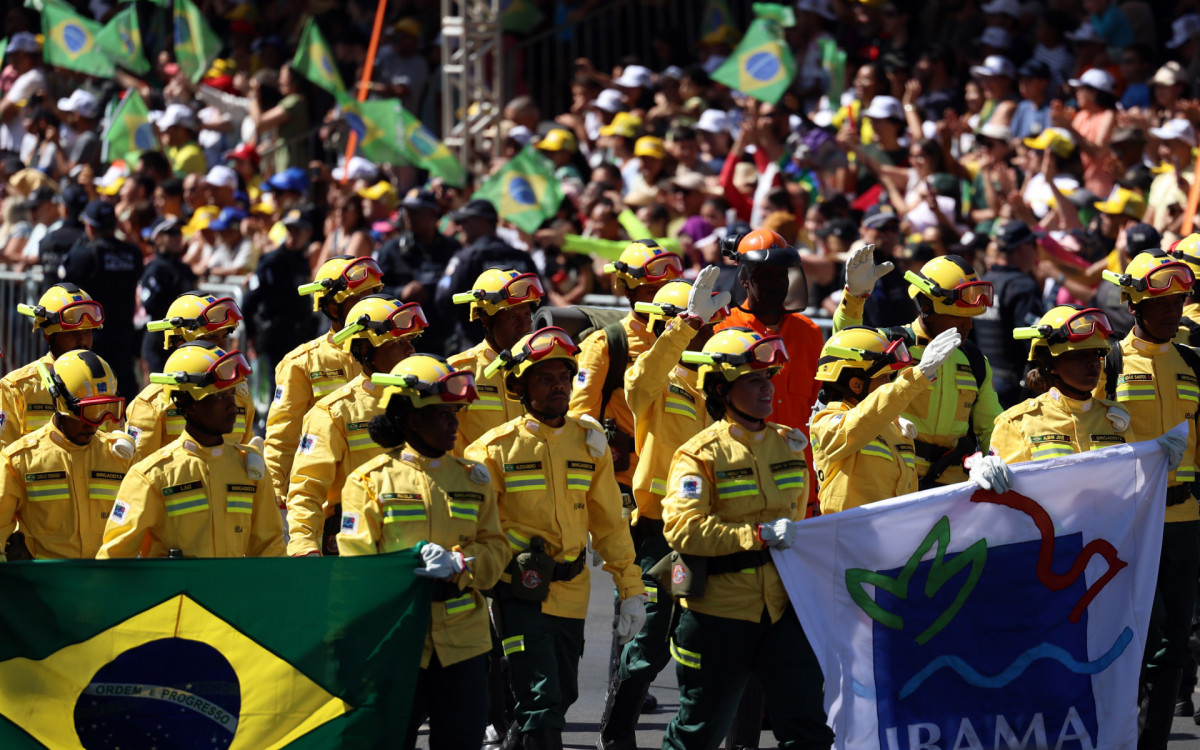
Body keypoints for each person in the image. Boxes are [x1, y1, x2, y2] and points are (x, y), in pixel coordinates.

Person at [465, 327, 646, 750]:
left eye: (564, 378)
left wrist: (631, 587)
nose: (559, 387)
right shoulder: (491, 451)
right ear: (521, 387)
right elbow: (473, 529)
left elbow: (609, 524)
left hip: (573, 591)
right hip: (517, 594)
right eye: (545, 379)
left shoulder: (588, 446)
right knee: (541, 701)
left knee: (560, 696)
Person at [658, 328, 829, 750]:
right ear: (721, 389)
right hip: (719, 612)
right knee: (699, 731)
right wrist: (756, 535)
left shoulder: (790, 445)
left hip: (785, 611)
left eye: (768, 378)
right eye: (754, 380)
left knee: (807, 729)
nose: (768, 389)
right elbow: (683, 529)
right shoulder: (699, 454)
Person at [338, 352, 506, 748]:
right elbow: (358, 570)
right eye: (443, 415)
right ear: (413, 420)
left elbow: (496, 550)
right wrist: (406, 566)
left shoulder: (474, 479)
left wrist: (460, 564)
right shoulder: (367, 482)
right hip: (398, 645)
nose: (455, 424)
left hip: (464, 645)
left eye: (456, 413)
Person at [599, 270, 728, 750]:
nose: (702, 330)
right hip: (657, 535)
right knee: (648, 645)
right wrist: (685, 324)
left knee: (699, 642)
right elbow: (642, 378)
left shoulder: (724, 388)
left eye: (706, 323)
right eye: (686, 323)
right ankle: (616, 738)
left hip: (709, 536)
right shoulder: (653, 384)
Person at [1097, 249, 1200, 749]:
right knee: (1129, 639)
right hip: (1130, 521)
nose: (1173, 309)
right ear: (1134, 303)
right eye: (1161, 301)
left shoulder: (1193, 361)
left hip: (1186, 519)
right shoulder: (1108, 360)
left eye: (1179, 300)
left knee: (1175, 644)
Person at [97, 341, 285, 559]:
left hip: (233, 592)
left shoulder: (251, 470)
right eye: (219, 396)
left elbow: (271, 549)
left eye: (231, 394)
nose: (232, 405)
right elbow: (114, 560)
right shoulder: (151, 476)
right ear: (186, 402)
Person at [834, 250, 1004, 488]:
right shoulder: (890, 345)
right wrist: (854, 298)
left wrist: (1000, 460)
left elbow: (991, 427)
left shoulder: (974, 360)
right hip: (893, 481)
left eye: (971, 317)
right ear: (925, 306)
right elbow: (844, 346)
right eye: (956, 316)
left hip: (952, 488)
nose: (967, 325)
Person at [286, 296, 427, 557]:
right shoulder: (333, 413)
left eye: (411, 341)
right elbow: (307, 490)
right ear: (365, 350)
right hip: (353, 550)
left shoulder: (428, 403)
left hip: (418, 547)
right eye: (398, 343)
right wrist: (304, 545)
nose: (410, 351)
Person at [812, 325, 988, 513]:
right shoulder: (827, 425)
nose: (890, 383)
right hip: (850, 539)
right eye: (885, 377)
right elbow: (862, 419)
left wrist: (972, 482)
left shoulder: (894, 429)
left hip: (892, 538)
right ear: (856, 385)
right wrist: (917, 377)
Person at [715, 229, 823, 515]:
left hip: (800, 481)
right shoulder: (722, 330)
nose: (777, 283)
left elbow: (818, 406)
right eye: (766, 275)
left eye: (781, 274)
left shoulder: (808, 332)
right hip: (742, 480)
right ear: (744, 278)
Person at [262, 255, 384, 504]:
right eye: (361, 299)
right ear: (333, 308)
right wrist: (274, 490)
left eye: (374, 296)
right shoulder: (301, 363)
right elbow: (282, 437)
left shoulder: (395, 356)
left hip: (387, 499)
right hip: (328, 506)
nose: (370, 306)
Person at [991, 306, 1175, 465]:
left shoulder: (1116, 419)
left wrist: (1156, 454)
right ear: (1051, 364)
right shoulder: (1016, 423)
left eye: (1096, 354)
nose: (1094, 363)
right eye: (1080, 355)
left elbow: (1130, 480)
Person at [570, 240, 685, 494]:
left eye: (666, 288)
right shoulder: (605, 344)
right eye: (650, 291)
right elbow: (580, 416)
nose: (661, 298)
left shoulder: (689, 338)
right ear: (627, 290)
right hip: (625, 479)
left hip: (679, 472)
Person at [0, 350, 134, 560]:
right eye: (89, 411)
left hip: (108, 585)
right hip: (44, 587)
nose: (95, 423)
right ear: (59, 403)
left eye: (104, 409)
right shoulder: (18, 461)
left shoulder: (119, 458)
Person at [127, 293, 254, 461]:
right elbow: (139, 473)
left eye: (224, 336)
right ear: (180, 341)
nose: (222, 346)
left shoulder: (239, 394)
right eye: (211, 337)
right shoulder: (151, 404)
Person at [448, 268, 544, 453]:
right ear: (486, 320)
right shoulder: (458, 372)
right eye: (513, 317)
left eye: (526, 315)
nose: (524, 326)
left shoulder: (541, 368)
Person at [0, 284, 104, 449]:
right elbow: (4, 458)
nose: (83, 341)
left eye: (87, 332)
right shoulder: (16, 388)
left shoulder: (104, 381)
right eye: (72, 333)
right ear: (48, 336)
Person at [58, 201, 144, 400]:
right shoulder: (133, 253)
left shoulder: (84, 254)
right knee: (125, 393)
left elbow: (64, 276)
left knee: (89, 393)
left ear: (90, 226)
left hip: (92, 337)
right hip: (124, 335)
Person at [434, 199, 542, 354]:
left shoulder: (466, 257)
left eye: (464, 221)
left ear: (482, 222)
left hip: (476, 349)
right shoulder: (522, 257)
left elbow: (443, 299)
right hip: (521, 349)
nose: (459, 227)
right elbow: (540, 302)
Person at [974, 220, 1045, 408]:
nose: (1037, 251)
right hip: (1013, 388)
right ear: (1022, 247)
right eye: (1034, 244)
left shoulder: (984, 283)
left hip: (980, 382)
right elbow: (1033, 341)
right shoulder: (1022, 286)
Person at [138, 219, 197, 374]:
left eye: (178, 232)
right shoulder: (155, 269)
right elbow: (149, 304)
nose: (177, 236)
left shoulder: (185, 269)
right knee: (158, 388)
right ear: (157, 238)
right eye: (171, 233)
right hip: (159, 338)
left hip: (184, 338)